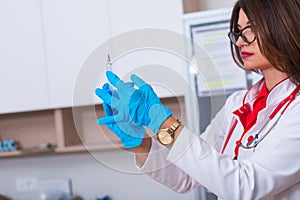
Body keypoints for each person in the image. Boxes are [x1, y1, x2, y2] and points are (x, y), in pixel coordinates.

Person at [95, 0, 300, 199]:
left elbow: (245, 187)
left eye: (251, 29)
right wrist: (142, 144)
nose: (239, 41)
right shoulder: (238, 103)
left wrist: (162, 121)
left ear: (283, 26)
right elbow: (188, 175)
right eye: (238, 31)